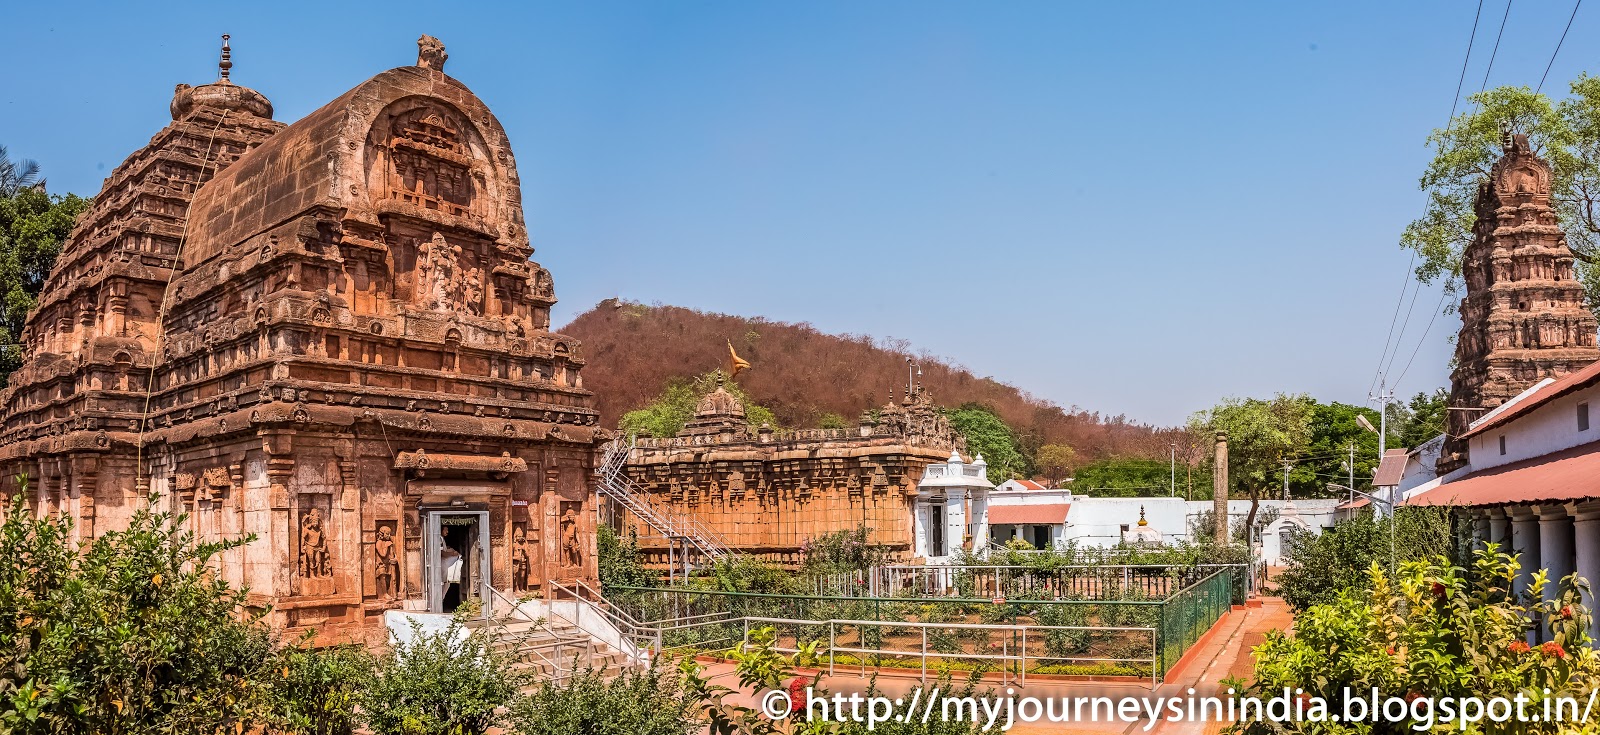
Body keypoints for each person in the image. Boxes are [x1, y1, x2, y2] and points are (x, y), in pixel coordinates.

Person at [440, 528, 463, 612]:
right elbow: (443, 553)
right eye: (445, 530)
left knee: (446, 583)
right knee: (444, 583)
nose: (447, 532)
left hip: (443, 565)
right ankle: (440, 603)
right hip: (442, 564)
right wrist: (453, 553)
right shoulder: (440, 538)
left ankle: (441, 601)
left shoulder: (442, 539)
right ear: (441, 530)